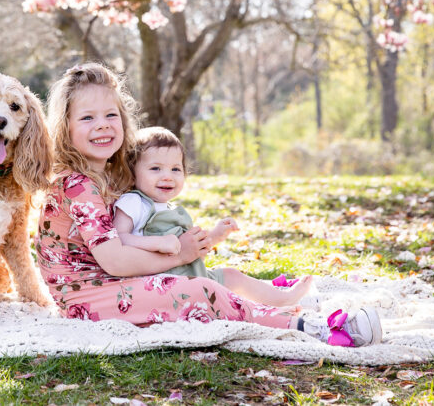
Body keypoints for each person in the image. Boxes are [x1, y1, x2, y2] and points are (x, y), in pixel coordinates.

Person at [34, 62, 382, 347]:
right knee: (197, 291)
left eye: (110, 115)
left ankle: (273, 303)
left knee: (211, 279)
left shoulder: (106, 173)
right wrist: (181, 255)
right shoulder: (77, 184)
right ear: (65, 127)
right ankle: (316, 328)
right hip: (85, 295)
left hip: (109, 281)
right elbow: (116, 259)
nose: (102, 126)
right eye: (87, 118)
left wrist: (186, 250)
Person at [114, 126, 315, 309]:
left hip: (190, 274)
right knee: (219, 297)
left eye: (176, 169)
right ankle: (257, 311)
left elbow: (193, 247)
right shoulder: (134, 202)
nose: (168, 176)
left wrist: (216, 236)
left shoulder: (171, 209)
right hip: (163, 283)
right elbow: (118, 238)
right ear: (132, 173)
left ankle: (281, 300)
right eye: (155, 168)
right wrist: (158, 242)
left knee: (231, 276)